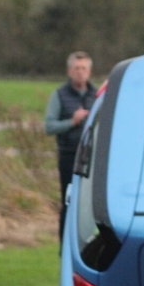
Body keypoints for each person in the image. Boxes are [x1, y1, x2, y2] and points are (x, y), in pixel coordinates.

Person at [44, 51, 97, 243]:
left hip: (92, 158)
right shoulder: (59, 95)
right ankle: (65, 247)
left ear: (89, 71)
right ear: (69, 71)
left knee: (89, 205)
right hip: (69, 156)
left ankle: (87, 246)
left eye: (84, 68)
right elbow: (49, 127)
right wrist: (72, 122)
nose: (80, 72)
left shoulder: (97, 95)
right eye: (76, 68)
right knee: (69, 202)